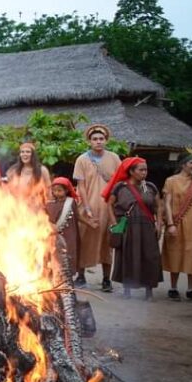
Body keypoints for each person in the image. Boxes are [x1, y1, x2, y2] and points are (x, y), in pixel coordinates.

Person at [103, 157, 162, 300]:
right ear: (131, 171)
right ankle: (127, 290)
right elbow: (109, 205)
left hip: (147, 226)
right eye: (141, 170)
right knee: (127, 256)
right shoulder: (120, 187)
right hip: (128, 226)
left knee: (149, 257)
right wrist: (114, 224)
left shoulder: (150, 187)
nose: (144, 173)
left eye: (146, 170)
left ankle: (149, 291)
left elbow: (158, 206)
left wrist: (159, 223)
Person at [74, 124, 121, 291]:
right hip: (88, 206)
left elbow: (119, 183)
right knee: (84, 239)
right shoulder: (82, 160)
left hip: (108, 207)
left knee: (107, 242)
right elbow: (81, 185)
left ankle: (106, 279)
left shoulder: (114, 158)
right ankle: (81, 275)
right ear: (89, 141)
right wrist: (86, 208)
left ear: (106, 140)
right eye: (95, 139)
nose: (98, 142)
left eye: (101, 139)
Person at [160, 152, 192, 301]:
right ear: (183, 164)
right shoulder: (171, 181)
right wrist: (170, 224)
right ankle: (173, 288)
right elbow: (166, 203)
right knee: (175, 254)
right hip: (176, 225)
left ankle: (191, 290)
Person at [5, 142, 51, 209]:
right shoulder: (13, 170)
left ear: (33, 155)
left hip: (37, 210)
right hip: (18, 209)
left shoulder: (42, 170)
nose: (24, 154)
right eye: (22, 152)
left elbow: (49, 192)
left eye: (28, 152)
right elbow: (8, 191)